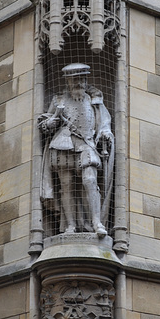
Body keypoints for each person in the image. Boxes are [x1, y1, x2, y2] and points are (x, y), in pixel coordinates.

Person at [38, 63, 114, 237]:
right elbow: (45, 125)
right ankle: (70, 225)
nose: (79, 83)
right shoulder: (59, 100)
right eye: (75, 79)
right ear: (68, 81)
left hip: (86, 144)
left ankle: (97, 222)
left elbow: (104, 122)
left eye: (82, 79)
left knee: (90, 180)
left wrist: (105, 133)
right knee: (66, 186)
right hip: (63, 145)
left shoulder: (94, 100)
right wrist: (56, 117)